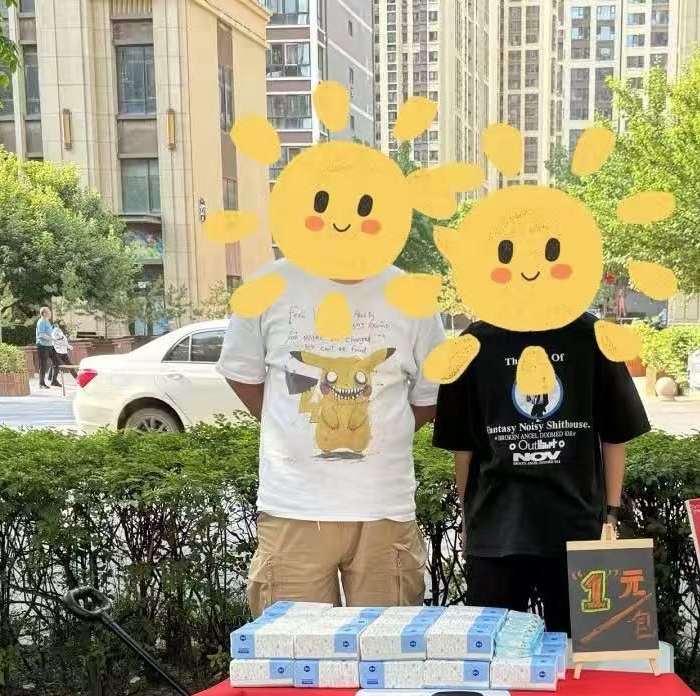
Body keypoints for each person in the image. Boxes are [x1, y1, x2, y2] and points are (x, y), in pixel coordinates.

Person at [216, 260, 445, 613]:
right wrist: (293, 427)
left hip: (384, 508)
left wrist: (381, 432)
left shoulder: (412, 296)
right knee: (293, 643)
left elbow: (431, 395)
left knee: (386, 643)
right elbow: (242, 376)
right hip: (293, 506)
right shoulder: (265, 286)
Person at [432, 312, 651, 633]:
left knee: (581, 650)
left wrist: (610, 515)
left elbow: (615, 434)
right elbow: (463, 448)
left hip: (568, 531)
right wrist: (469, 520)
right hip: (502, 531)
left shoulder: (595, 337)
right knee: (499, 651)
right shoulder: (473, 344)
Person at [34, 306, 60, 389]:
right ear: (44, 313)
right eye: (48, 311)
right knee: (43, 365)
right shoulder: (41, 321)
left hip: (49, 345)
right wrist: (52, 339)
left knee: (57, 362)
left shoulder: (47, 321)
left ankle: (54, 381)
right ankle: (41, 383)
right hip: (42, 346)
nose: (50, 313)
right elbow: (41, 334)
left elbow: (48, 332)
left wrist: (54, 329)